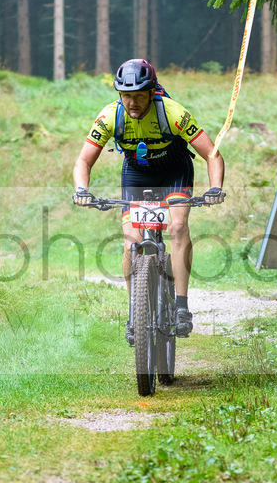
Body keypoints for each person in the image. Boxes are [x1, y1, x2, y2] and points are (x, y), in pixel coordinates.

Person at [72, 58, 225, 341]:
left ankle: (181, 307)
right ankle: (135, 312)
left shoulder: (173, 113)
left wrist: (215, 187)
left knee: (178, 227)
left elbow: (212, 153)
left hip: (174, 171)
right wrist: (82, 189)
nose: (132, 102)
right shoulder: (109, 117)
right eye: (126, 95)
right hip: (137, 174)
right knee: (131, 242)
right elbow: (83, 160)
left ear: (152, 91)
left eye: (139, 95)